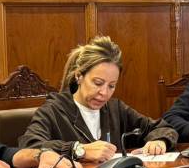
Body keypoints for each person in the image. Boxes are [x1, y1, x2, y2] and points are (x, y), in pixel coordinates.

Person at [19, 36, 178, 161]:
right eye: (98, 83)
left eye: (111, 86)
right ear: (79, 76)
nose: (104, 93)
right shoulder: (53, 111)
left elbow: (162, 128)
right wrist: (78, 150)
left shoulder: (116, 109)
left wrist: (160, 140)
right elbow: (29, 148)